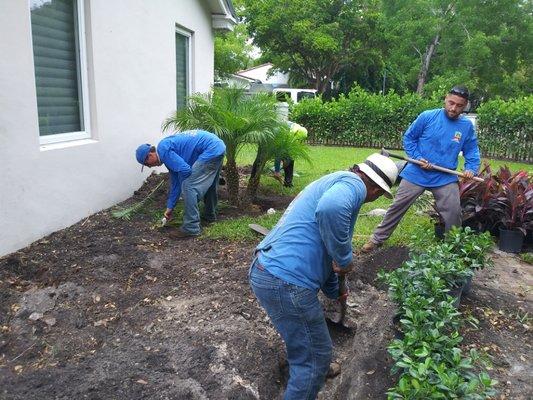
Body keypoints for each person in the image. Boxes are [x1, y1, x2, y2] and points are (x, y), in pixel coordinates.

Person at [249, 153, 399, 399]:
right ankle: (312, 367)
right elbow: (331, 210)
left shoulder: (335, 181)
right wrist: (344, 258)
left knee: (305, 336)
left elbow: (327, 254)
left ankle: (307, 362)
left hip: (268, 270)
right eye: (380, 196)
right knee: (316, 358)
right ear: (375, 189)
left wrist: (336, 290)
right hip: (286, 280)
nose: (374, 200)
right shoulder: (353, 186)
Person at [362, 85, 481, 252]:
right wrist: (417, 158)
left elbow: (472, 150)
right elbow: (409, 138)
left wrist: (471, 168)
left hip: (444, 177)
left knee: (454, 213)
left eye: (459, 105)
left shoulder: (466, 126)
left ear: (465, 105)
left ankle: (452, 249)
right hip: (417, 172)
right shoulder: (428, 117)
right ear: (445, 99)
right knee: (397, 207)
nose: (453, 108)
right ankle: (376, 240)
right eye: (451, 103)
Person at [135, 130, 226, 238]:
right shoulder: (165, 148)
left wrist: (187, 188)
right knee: (210, 185)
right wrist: (170, 207)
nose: (150, 167)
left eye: (146, 164)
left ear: (149, 155)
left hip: (210, 150)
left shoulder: (163, 150)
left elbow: (185, 170)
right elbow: (175, 183)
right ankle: (209, 216)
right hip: (218, 147)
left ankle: (191, 228)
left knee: (188, 186)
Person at [273, 122, 308, 187]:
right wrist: (277, 171)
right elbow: (278, 153)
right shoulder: (285, 133)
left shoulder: (300, 131)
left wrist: (288, 161)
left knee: (290, 159)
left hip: (285, 136)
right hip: (274, 136)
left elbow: (293, 147)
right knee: (283, 154)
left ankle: (288, 183)